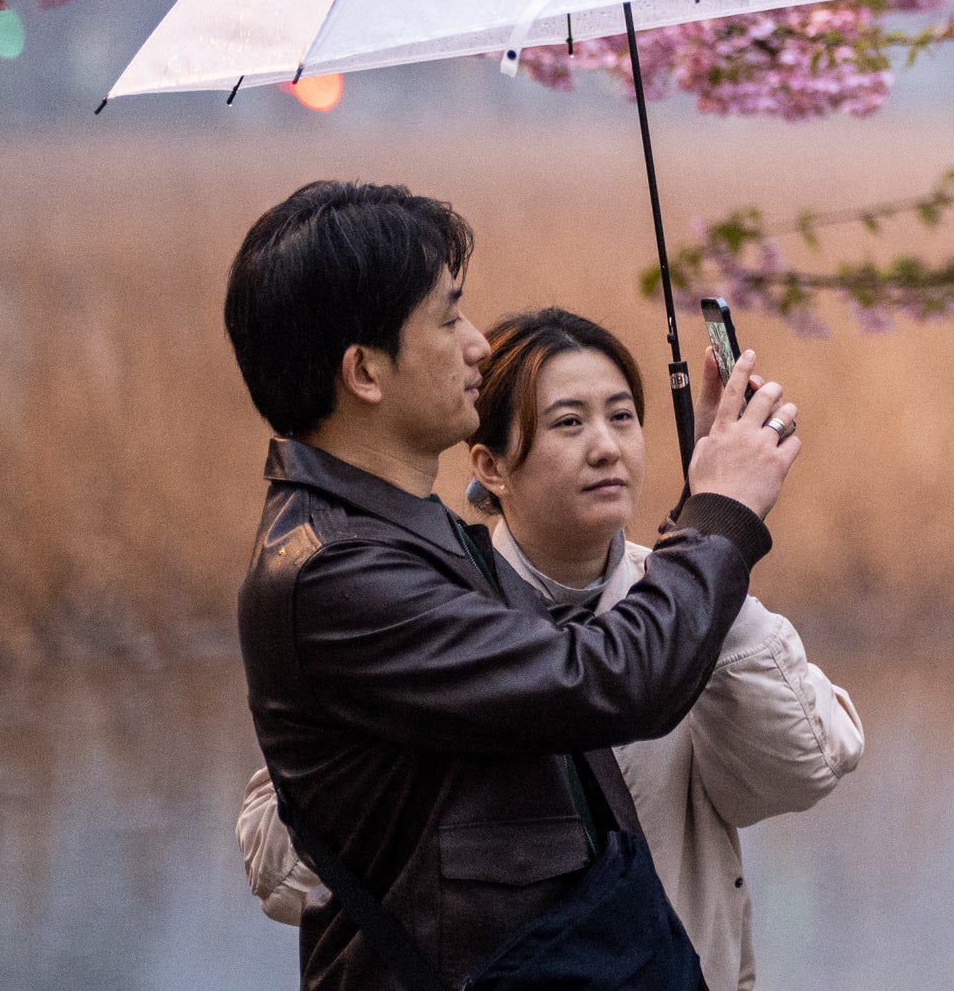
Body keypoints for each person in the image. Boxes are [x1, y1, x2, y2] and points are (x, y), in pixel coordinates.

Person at [226, 180, 802, 991]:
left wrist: (696, 509)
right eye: (448, 317)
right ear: (364, 371)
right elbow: (608, 680)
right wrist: (719, 513)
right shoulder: (337, 572)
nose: (477, 347)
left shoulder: (402, 535)